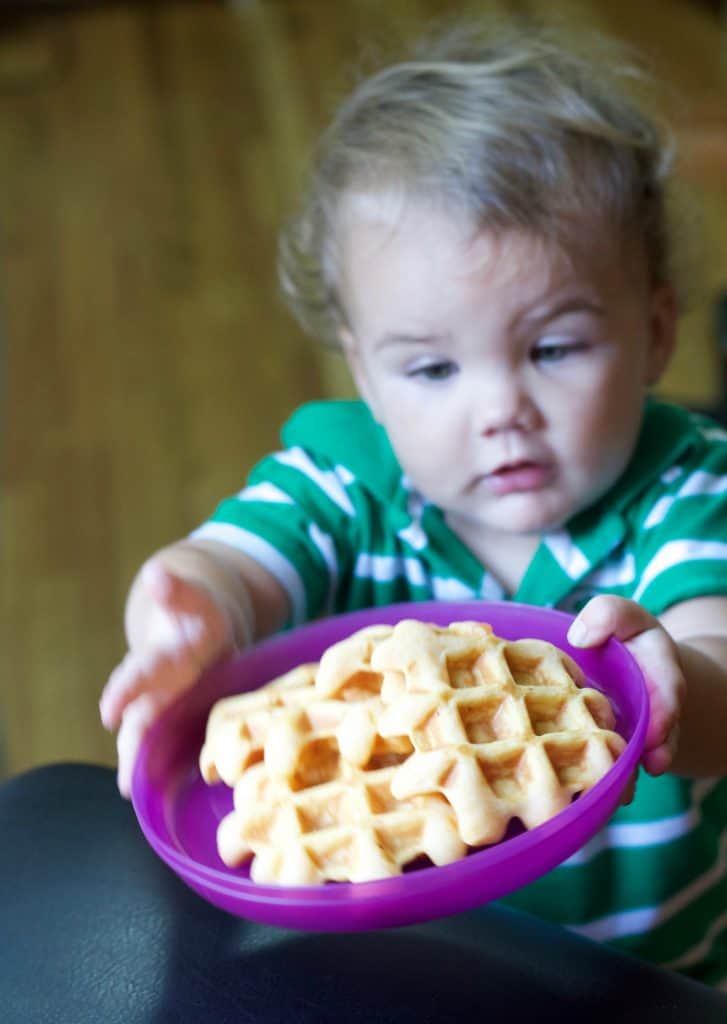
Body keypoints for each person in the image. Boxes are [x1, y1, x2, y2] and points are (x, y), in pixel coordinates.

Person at [100, 17, 727, 987]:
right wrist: (189, 604)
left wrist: (681, 675)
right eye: (431, 367)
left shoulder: (689, 493)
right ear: (365, 369)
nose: (499, 411)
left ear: (652, 332)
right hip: (412, 971)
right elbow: (237, 570)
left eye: (552, 348)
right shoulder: (346, 481)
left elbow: (719, 658)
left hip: (653, 973)